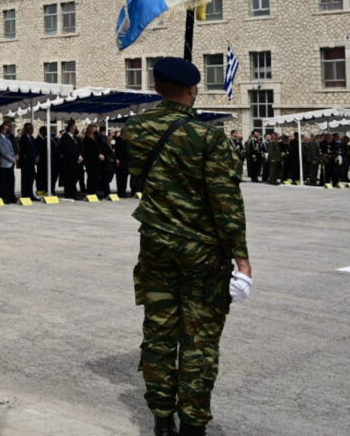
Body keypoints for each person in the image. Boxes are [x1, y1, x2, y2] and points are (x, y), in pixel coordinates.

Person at [125, 56, 250, 436]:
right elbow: (226, 203)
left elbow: (138, 177)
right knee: (198, 341)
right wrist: (242, 259)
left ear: (157, 87)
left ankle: (162, 419)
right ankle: (192, 424)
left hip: (156, 245)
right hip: (202, 253)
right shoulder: (207, 136)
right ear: (193, 89)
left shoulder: (136, 128)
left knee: (159, 334)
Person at [82, 124, 109, 199]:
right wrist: (98, 155)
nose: (96, 129)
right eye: (94, 128)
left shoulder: (96, 137)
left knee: (96, 176)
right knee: (91, 176)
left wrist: (101, 154)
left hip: (97, 161)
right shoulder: (87, 138)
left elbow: (100, 145)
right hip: (90, 160)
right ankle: (90, 192)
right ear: (90, 129)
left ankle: (95, 191)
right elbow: (89, 151)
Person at [0, 120, 17, 204]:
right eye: (5, 129)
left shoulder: (7, 138)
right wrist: (12, 159)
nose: (7, 130)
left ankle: (10, 197)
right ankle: (3, 197)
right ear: (2, 130)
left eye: (8, 129)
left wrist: (14, 156)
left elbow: (11, 149)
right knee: (3, 182)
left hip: (10, 164)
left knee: (10, 182)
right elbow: (2, 152)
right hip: (4, 164)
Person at [60, 121, 83, 200]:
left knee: (74, 178)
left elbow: (77, 148)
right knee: (69, 178)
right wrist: (77, 156)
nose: (75, 129)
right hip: (69, 162)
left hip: (75, 161)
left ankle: (73, 193)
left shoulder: (74, 138)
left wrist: (80, 156)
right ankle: (68, 194)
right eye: (74, 128)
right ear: (70, 128)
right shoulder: (65, 137)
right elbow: (68, 149)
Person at [17, 122, 39, 201]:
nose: (32, 130)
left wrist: (37, 155)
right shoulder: (23, 138)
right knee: (26, 179)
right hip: (26, 162)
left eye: (32, 128)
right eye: (31, 128)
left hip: (32, 161)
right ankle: (25, 195)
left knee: (31, 178)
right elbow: (26, 150)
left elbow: (35, 148)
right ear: (26, 129)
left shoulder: (32, 138)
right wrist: (33, 156)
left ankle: (30, 194)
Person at [113, 129, 131, 197]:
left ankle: (123, 190)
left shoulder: (126, 141)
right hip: (120, 161)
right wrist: (117, 159)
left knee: (124, 177)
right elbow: (117, 152)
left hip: (125, 161)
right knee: (120, 177)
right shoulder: (119, 140)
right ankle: (120, 191)